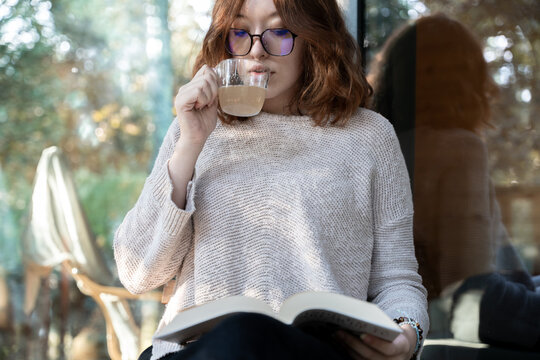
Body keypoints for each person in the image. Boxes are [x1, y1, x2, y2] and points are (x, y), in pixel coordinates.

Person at [114, 1, 428, 359]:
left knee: (248, 333)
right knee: (238, 335)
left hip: (311, 352)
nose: (257, 50)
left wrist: (408, 335)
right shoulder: (195, 129)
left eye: (278, 32)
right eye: (240, 32)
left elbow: (397, 280)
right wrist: (190, 144)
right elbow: (137, 272)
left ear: (315, 40)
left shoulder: (370, 137)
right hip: (200, 351)